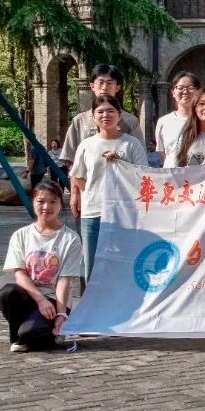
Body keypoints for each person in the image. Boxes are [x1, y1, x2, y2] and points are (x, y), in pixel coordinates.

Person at [0, 180, 81, 353]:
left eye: (53, 201)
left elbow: (64, 280)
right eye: (41, 201)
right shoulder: (20, 235)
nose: (46, 207)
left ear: (60, 204)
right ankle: (19, 338)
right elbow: (20, 274)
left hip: (55, 301)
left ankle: (50, 332)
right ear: (33, 202)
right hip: (30, 296)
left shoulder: (70, 239)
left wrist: (61, 314)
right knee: (7, 293)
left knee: (31, 333)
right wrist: (40, 300)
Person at [70, 95, 149, 278]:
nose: (105, 115)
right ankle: (90, 297)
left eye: (111, 111)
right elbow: (78, 176)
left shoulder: (131, 144)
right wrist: (92, 192)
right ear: (93, 116)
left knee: (123, 265)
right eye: (100, 112)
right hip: (93, 212)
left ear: (120, 115)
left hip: (124, 213)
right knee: (92, 265)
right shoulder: (86, 145)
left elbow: (143, 176)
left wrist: (120, 162)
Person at [58, 64, 144, 167]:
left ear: (118, 87)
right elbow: (70, 158)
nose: (104, 88)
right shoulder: (80, 120)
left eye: (109, 83)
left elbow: (140, 159)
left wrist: (120, 158)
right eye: (100, 83)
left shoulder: (130, 121)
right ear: (92, 86)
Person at [154, 71, 201, 163]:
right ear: (173, 93)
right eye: (180, 88)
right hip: (173, 171)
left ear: (198, 92)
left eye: (190, 88)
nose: (185, 91)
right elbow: (163, 153)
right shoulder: (163, 121)